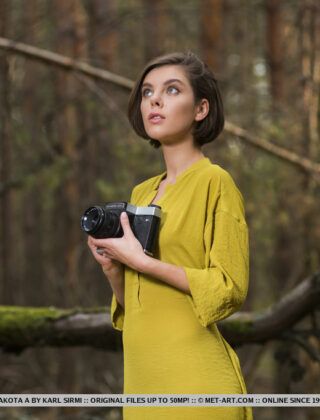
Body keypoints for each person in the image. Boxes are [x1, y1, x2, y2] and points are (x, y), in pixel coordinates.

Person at [87, 51, 253, 420]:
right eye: (147, 92)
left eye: (172, 90)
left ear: (201, 109)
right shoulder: (142, 192)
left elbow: (229, 287)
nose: (155, 100)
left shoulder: (216, 183)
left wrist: (142, 262)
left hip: (195, 382)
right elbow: (138, 304)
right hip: (142, 383)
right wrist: (114, 270)